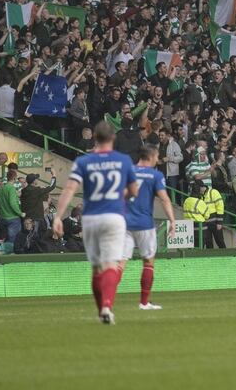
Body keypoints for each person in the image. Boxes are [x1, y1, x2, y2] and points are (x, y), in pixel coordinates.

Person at [52, 121, 139, 325]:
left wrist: (58, 216)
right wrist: (120, 195)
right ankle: (108, 306)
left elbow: (70, 189)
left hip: (90, 218)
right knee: (111, 264)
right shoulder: (124, 160)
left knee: (96, 268)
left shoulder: (84, 161)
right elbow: (134, 190)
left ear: (95, 138)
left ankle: (102, 310)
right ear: (113, 139)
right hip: (114, 217)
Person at [120, 145, 176, 310]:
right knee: (148, 263)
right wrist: (172, 221)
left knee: (120, 264)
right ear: (151, 157)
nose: (157, 160)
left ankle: (106, 302)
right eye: (157, 156)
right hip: (144, 224)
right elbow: (165, 200)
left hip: (124, 224)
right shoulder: (155, 175)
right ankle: (144, 303)